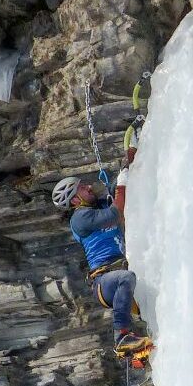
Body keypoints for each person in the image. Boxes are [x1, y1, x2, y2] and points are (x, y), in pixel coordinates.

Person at [52, 150, 151, 357]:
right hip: (103, 281)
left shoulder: (98, 206)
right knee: (125, 277)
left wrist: (127, 165)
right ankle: (121, 337)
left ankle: (139, 350)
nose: (89, 187)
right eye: (82, 188)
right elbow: (116, 213)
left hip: (116, 274)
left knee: (133, 282)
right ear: (75, 200)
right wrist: (122, 183)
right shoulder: (80, 218)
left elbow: (115, 193)